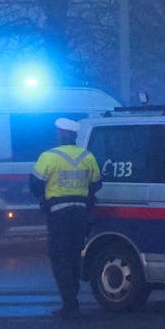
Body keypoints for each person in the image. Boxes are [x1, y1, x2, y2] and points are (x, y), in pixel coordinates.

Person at [31, 117, 102, 318]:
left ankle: (69, 302)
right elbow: (97, 183)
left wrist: (44, 198)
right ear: (75, 136)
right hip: (80, 213)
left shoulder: (49, 156)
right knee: (73, 255)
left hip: (58, 214)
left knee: (59, 256)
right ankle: (73, 298)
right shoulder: (87, 156)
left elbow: (34, 183)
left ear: (60, 134)